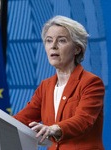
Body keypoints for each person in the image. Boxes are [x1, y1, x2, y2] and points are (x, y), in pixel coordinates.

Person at [13, 15, 105, 150]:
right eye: (49, 41)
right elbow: (24, 119)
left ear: (77, 49)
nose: (53, 46)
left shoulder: (91, 83)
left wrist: (54, 129)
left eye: (61, 41)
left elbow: (83, 120)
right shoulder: (45, 86)